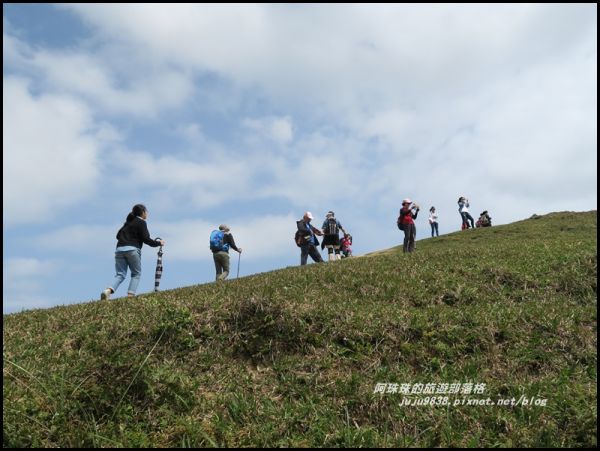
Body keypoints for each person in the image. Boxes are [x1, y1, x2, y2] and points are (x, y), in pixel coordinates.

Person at [101, 204, 165, 300]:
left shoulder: (127, 223)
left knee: (120, 274)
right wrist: (158, 243)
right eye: (146, 211)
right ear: (143, 212)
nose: (147, 213)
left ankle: (108, 291)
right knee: (136, 274)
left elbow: (118, 236)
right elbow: (146, 239)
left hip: (119, 250)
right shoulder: (141, 222)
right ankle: (130, 296)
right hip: (132, 250)